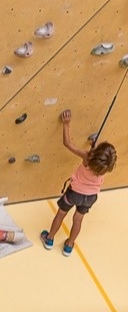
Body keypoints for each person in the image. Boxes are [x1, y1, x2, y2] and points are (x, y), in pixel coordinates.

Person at [40, 109, 117, 256]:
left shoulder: (87, 158)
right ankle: (69, 246)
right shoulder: (106, 166)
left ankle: (49, 239)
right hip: (91, 197)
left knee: (60, 215)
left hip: (74, 193)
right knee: (78, 220)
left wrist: (66, 124)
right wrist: (95, 146)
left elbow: (67, 143)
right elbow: (101, 158)